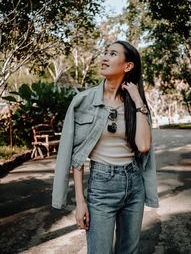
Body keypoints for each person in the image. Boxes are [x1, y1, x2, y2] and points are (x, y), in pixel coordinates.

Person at [52, 41, 159, 254]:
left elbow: (144, 146)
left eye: (112, 53)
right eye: (105, 53)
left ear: (128, 66)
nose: (104, 57)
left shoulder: (136, 105)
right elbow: (77, 156)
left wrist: (138, 101)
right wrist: (80, 202)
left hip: (134, 185)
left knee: (128, 251)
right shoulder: (83, 101)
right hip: (101, 187)